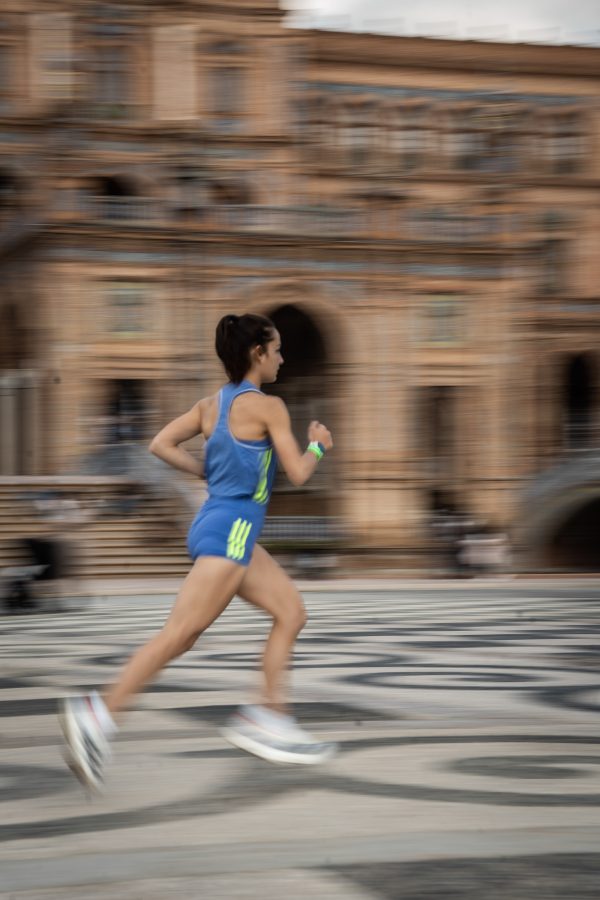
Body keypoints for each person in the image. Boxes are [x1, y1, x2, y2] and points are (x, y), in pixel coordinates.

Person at [59, 313, 336, 792]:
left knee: (291, 613)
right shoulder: (269, 407)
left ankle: (269, 716)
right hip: (232, 531)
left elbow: (160, 443)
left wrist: (204, 471)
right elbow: (298, 473)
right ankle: (97, 713)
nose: (283, 358)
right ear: (258, 353)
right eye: (277, 349)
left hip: (222, 525)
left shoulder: (211, 405)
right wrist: (318, 447)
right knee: (179, 634)